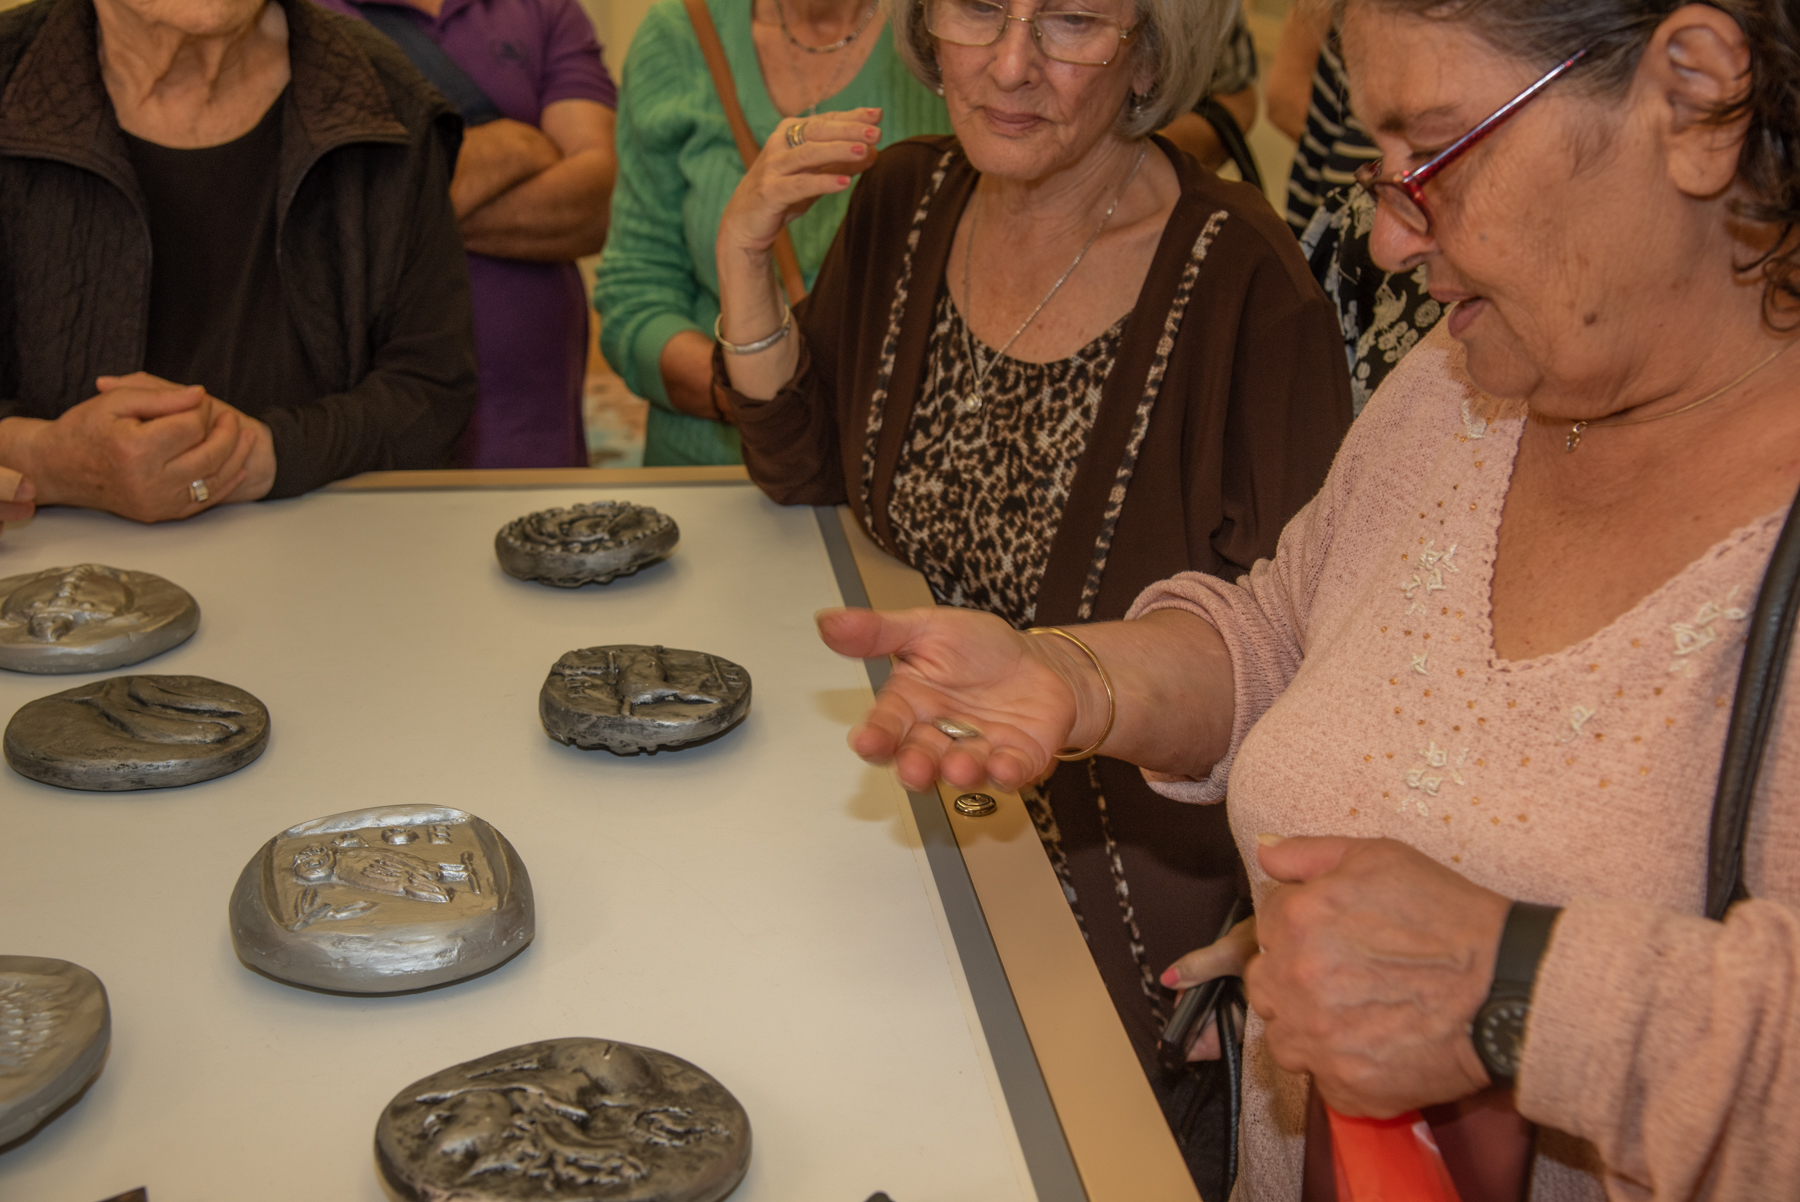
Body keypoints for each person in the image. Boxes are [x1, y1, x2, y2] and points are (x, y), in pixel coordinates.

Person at [815, 0, 1800, 1196]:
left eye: (1432, 152)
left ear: (1693, 96)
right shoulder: (1459, 385)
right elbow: (1288, 624)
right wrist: (1077, 677)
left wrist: (1518, 991)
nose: (1388, 238)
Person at [713, 0, 1352, 1183]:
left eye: (1072, 21)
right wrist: (744, 263)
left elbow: (1325, 665)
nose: (1012, 65)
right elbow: (803, 466)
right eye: (977, 10)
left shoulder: (1246, 288)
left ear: (1149, 51)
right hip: (903, 789)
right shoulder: (908, 200)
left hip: (1114, 876)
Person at [0, 0, 475, 522]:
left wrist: (253, 455)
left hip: (319, 556)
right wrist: (48, 462)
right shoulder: (11, 70)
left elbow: (432, 388)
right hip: (37, 573)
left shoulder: (381, 93)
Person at [594, 0, 950, 467]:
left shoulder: (946, 31)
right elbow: (635, 297)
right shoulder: (679, 34)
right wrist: (765, 406)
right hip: (711, 475)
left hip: (903, 469)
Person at [311, 0, 618, 468]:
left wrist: (400, 205)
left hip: (537, 434)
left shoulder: (546, 8)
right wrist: (520, 144)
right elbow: (332, 223)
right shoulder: (299, 19)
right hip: (374, 434)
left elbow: (598, 204)